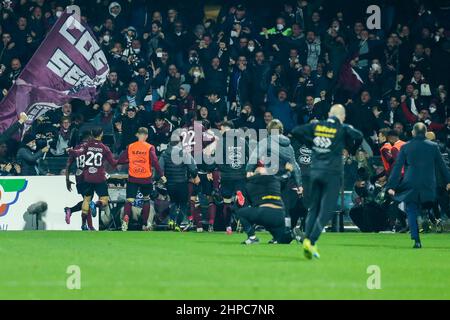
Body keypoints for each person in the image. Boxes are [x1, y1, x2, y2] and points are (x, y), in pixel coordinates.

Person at [292, 104, 363, 259]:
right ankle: (310, 240)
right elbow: (359, 136)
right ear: (342, 116)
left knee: (314, 208)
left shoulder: (317, 126)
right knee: (326, 210)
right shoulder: (343, 128)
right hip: (332, 173)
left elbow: (296, 131)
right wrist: (350, 148)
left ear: (329, 114)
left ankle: (309, 243)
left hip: (315, 171)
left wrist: (313, 143)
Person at [386, 123, 450, 249]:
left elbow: (397, 167)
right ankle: (429, 216)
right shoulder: (433, 146)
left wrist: (391, 186)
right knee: (432, 203)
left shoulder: (406, 147)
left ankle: (416, 239)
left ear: (413, 133)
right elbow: (442, 166)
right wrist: (448, 181)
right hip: (429, 184)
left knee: (411, 209)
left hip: (411, 183)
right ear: (425, 133)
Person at [118, 127, 166, 231]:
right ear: (147, 136)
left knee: (129, 200)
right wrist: (161, 174)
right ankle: (144, 224)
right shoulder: (149, 147)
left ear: (137, 135)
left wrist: (131, 160)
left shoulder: (130, 146)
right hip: (145, 178)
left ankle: (126, 218)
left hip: (133, 177)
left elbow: (121, 160)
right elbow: (154, 161)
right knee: (146, 199)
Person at [236, 164, 298, 245]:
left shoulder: (251, 182)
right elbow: (286, 176)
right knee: (281, 239)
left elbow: (249, 202)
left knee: (241, 213)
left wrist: (249, 175)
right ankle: (293, 233)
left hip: (264, 213)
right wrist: (289, 171)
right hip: (279, 214)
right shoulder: (276, 179)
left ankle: (252, 238)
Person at [71, 127, 117, 226]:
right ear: (101, 134)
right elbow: (113, 163)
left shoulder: (86, 145)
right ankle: (95, 204)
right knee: (104, 199)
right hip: (99, 177)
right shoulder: (104, 147)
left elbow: (77, 153)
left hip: (86, 177)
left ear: (92, 134)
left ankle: (83, 225)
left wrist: (71, 151)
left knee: (86, 200)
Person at [64, 130, 95, 231]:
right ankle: (88, 226)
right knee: (88, 202)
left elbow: (68, 165)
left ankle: (85, 225)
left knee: (87, 201)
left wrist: (67, 180)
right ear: (89, 138)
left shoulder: (76, 148)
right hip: (89, 177)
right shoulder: (91, 148)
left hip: (79, 178)